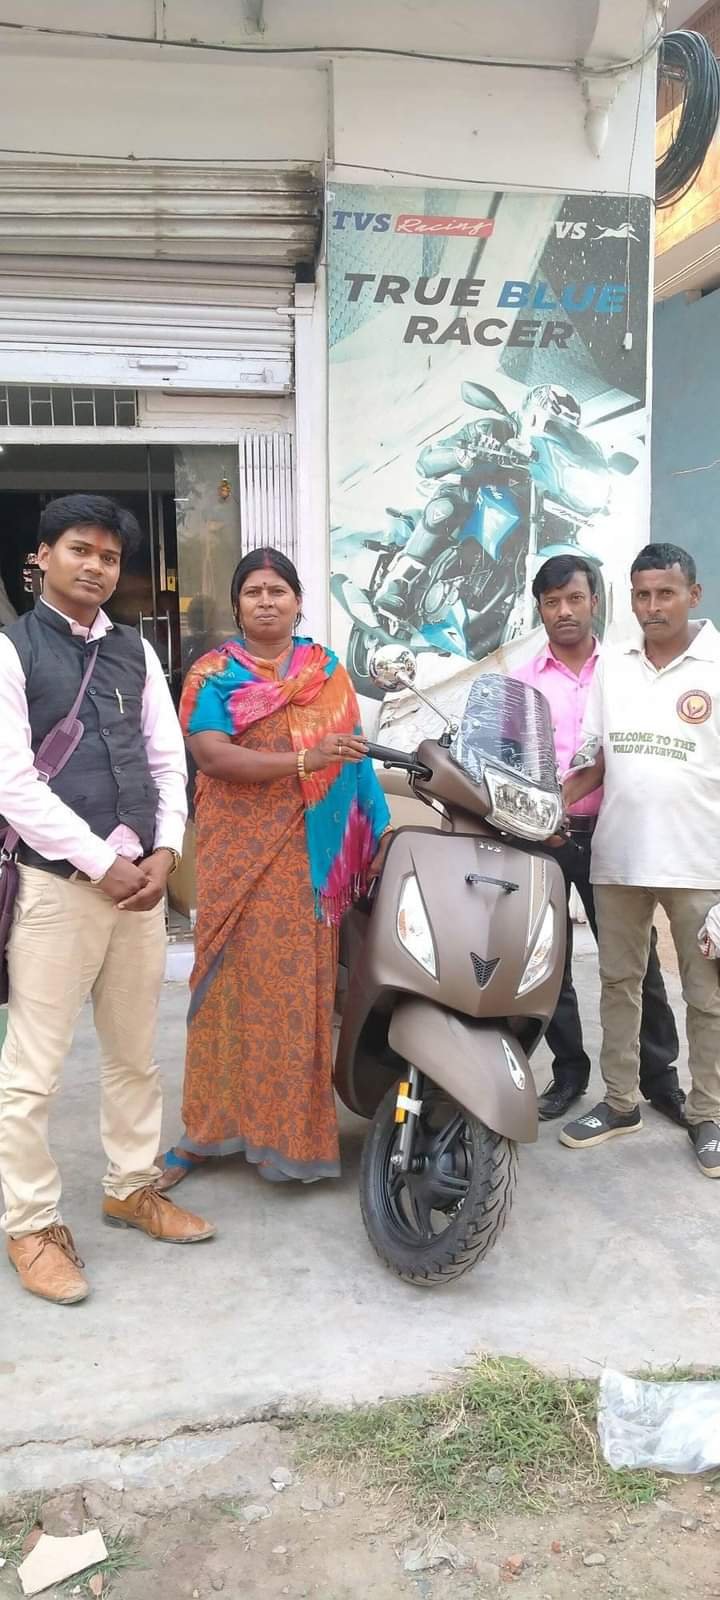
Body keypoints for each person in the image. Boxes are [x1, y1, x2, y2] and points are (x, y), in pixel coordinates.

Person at [0, 494, 215, 1308]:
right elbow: (12, 783)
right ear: (42, 558)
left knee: (135, 1055)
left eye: (110, 557)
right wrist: (99, 861)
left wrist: (165, 852)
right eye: (79, 550)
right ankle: (31, 1225)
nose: (96, 566)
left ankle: (131, 1187)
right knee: (33, 1073)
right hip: (59, 891)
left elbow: (166, 760)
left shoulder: (135, 651)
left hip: (139, 893)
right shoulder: (12, 651)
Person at [158, 547, 391, 1190]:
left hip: (307, 866)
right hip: (237, 856)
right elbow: (211, 756)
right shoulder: (212, 674)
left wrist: (373, 831)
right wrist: (305, 761)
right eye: (253, 591)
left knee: (294, 998)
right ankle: (208, 1131)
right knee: (222, 994)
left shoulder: (327, 671)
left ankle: (287, 1138)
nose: (266, 601)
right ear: (237, 605)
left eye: (277, 590)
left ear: (298, 601)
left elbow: (356, 759)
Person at [559, 543, 720, 1177]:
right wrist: (551, 800)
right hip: (619, 855)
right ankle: (621, 1101)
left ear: (693, 596)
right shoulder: (615, 668)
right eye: (642, 594)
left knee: (707, 996)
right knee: (619, 985)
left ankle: (708, 1113)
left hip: (700, 863)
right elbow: (594, 759)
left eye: (665, 593)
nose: (652, 606)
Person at [514, 555, 683, 1122]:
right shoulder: (523, 682)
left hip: (614, 835)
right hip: (544, 838)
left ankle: (659, 1076)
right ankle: (569, 1073)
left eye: (574, 598)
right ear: (540, 610)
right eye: (552, 602)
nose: (564, 611)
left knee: (637, 961)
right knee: (549, 960)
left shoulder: (627, 672)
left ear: (595, 602)